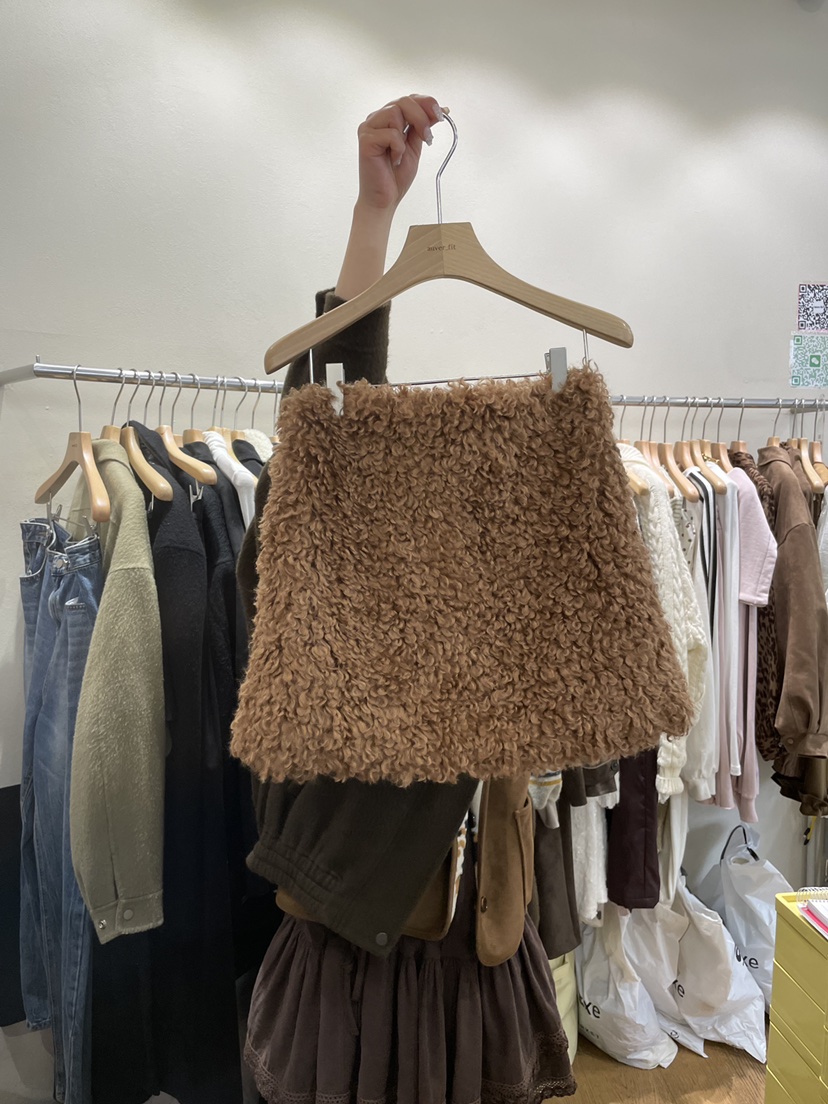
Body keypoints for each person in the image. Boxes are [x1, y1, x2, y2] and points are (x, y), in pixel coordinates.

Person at [239, 96, 576, 1104]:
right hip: (355, 935)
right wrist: (373, 219)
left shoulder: (529, 526)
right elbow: (327, 435)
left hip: (487, 935)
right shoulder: (323, 549)